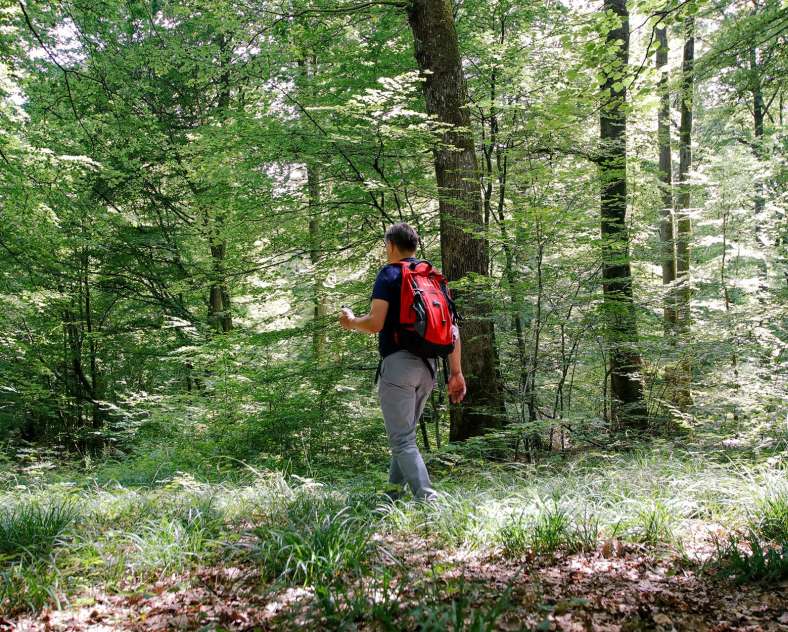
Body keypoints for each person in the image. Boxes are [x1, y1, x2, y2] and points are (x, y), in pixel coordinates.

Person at [339, 223, 466, 501]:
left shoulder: (389, 274)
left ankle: (430, 503)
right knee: (404, 437)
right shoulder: (433, 279)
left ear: (391, 246)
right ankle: (390, 501)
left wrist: (350, 323)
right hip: (429, 369)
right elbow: (452, 330)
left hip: (399, 367)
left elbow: (374, 324)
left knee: (402, 440)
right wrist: (456, 373)